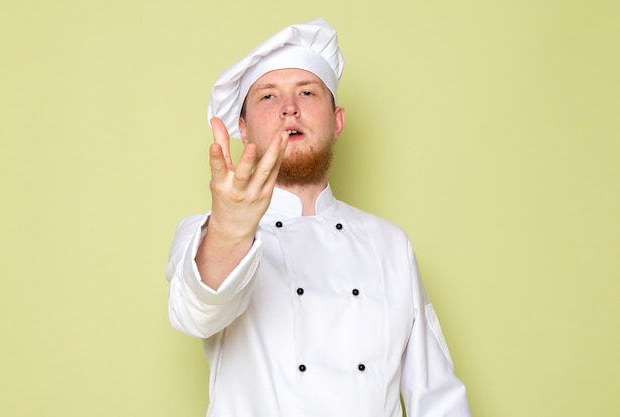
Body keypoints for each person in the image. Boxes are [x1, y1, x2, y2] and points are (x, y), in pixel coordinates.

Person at [166, 18, 471, 417]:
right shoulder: (207, 234)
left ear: (337, 121)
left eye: (307, 92)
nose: (289, 108)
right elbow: (195, 313)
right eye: (268, 97)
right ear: (243, 128)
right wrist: (230, 231)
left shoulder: (390, 245)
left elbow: (437, 397)